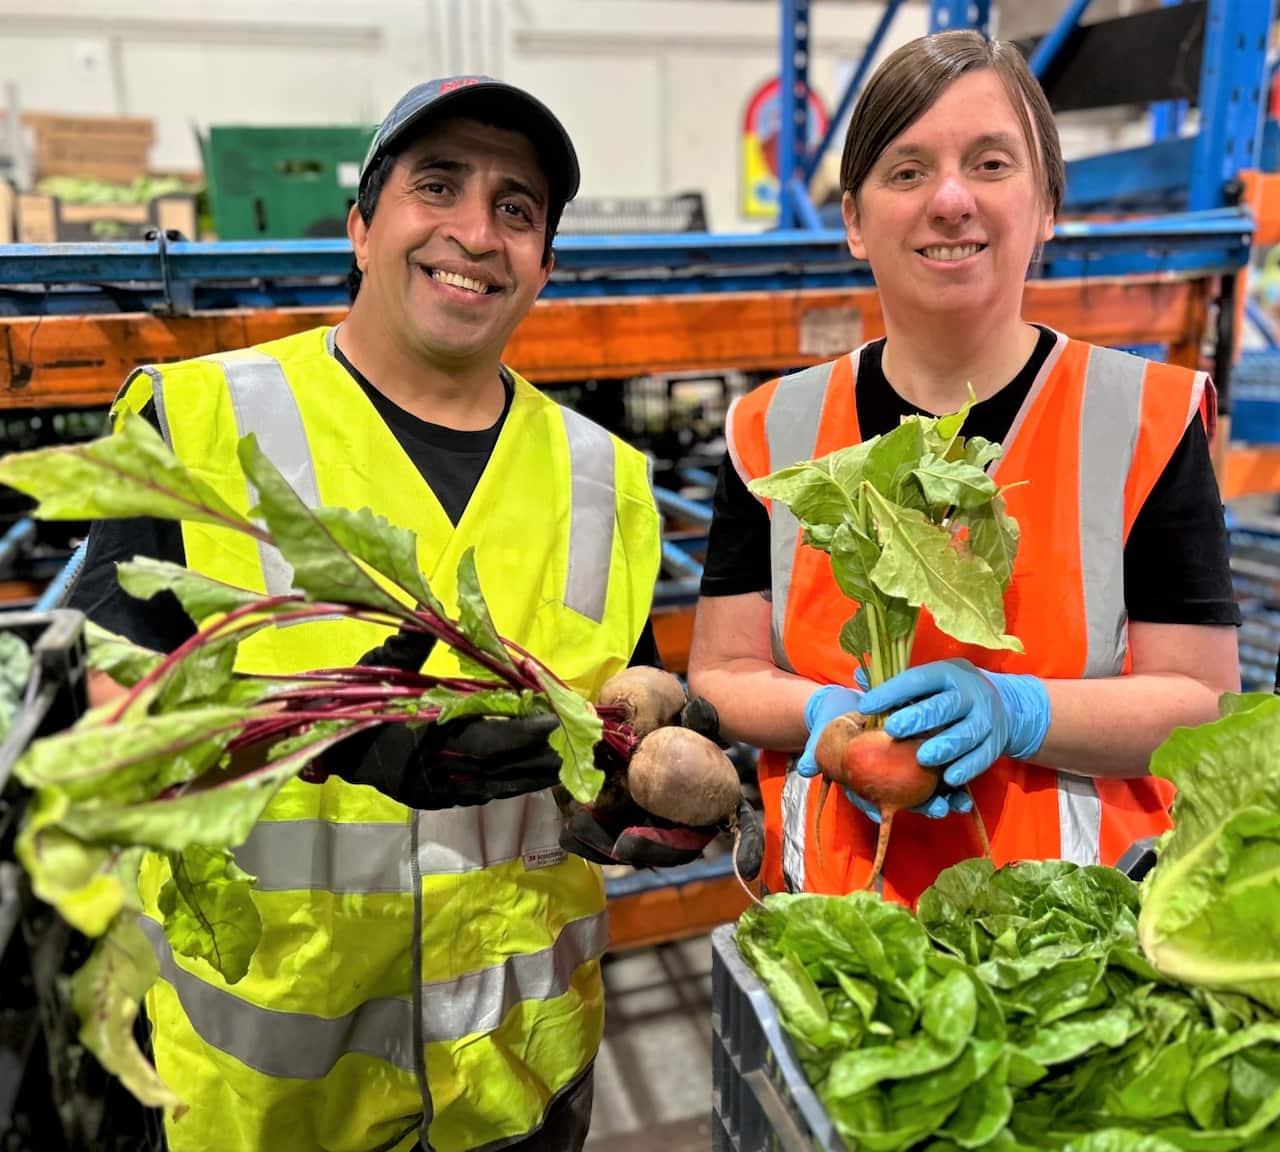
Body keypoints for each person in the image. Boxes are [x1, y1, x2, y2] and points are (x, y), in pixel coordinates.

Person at [70, 76, 731, 1152]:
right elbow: (101, 735)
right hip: (267, 1104)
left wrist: (619, 798)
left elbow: (613, 720)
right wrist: (329, 742)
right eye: (438, 186)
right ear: (362, 229)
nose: (477, 231)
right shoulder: (200, 422)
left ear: (543, 266)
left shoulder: (604, 480)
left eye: (516, 208)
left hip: (526, 1081)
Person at [687, 31, 1241, 906]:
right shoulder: (772, 431)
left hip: (1068, 944)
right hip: (836, 927)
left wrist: (1020, 711)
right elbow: (720, 672)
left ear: (1048, 205)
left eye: (990, 163)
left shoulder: (1143, 418)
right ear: (854, 222)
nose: (951, 200)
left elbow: (1203, 703)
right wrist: (824, 721)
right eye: (906, 171)